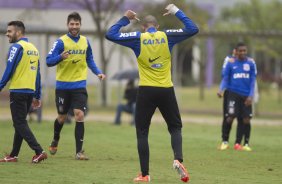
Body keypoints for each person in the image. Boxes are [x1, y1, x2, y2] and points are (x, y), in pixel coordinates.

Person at [106, 4, 198, 182]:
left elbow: (110, 34)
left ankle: (145, 174)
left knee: (142, 132)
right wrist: (175, 11)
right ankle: (178, 159)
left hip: (146, 90)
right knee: (175, 127)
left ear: (143, 27)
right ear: (157, 27)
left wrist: (125, 18)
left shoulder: (137, 38)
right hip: (166, 89)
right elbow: (193, 29)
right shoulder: (166, 36)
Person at [46, 12, 106, 160]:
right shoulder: (61, 42)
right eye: (71, 24)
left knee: (79, 114)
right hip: (62, 87)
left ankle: (79, 152)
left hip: (79, 86)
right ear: (68, 25)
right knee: (61, 117)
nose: (74, 26)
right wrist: (60, 57)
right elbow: (48, 61)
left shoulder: (85, 41)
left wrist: (98, 72)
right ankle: (55, 139)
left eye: (77, 24)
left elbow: (89, 59)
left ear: (80, 25)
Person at [0, 21, 47, 163]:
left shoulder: (16, 47)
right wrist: (37, 95)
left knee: (19, 123)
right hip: (29, 92)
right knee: (20, 123)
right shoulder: (34, 49)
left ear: (18, 32)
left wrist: (0, 86)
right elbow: (38, 74)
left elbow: (9, 70)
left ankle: (39, 151)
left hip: (18, 91)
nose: (7, 34)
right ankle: (13, 155)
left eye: (9, 31)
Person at [218, 42, 257, 152]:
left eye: (244, 51)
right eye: (240, 51)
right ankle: (224, 142)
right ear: (236, 51)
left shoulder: (251, 63)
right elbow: (225, 78)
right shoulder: (230, 63)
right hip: (232, 93)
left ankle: (242, 143)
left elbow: (253, 81)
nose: (242, 53)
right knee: (230, 117)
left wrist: (250, 95)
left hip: (246, 95)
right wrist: (221, 89)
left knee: (245, 119)